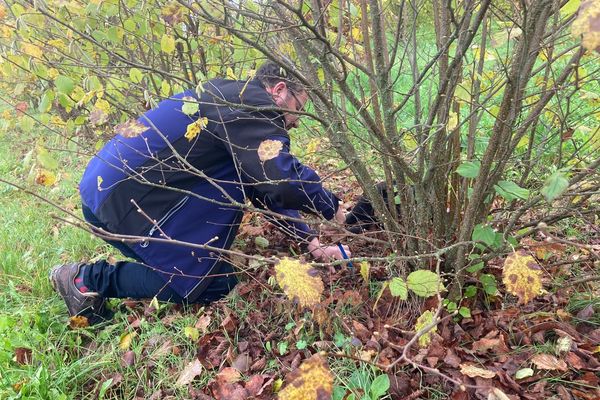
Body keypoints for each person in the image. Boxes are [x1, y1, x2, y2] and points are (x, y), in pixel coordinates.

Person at [50, 61, 351, 324]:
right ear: (279, 90)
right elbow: (280, 180)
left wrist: (309, 241)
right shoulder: (251, 106)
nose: (297, 121)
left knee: (201, 269)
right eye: (298, 108)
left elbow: (260, 184)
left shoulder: (229, 99)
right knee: (210, 283)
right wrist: (330, 205)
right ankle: (85, 280)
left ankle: (97, 279)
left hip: (107, 194)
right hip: (122, 202)